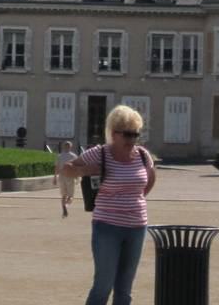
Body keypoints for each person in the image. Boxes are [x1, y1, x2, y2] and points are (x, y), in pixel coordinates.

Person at [60, 105, 156, 305]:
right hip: (107, 227)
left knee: (125, 289)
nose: (132, 140)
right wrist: (86, 170)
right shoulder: (99, 153)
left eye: (135, 135)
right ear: (114, 134)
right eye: (128, 135)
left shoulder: (142, 155)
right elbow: (67, 170)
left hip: (137, 227)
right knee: (103, 285)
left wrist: (138, 197)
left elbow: (150, 178)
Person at [52, 140, 78, 217]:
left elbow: (56, 167)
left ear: (64, 147)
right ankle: (66, 205)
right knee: (71, 196)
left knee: (63, 195)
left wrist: (55, 177)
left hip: (61, 177)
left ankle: (63, 207)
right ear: (70, 147)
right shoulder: (73, 156)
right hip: (70, 177)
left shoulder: (59, 156)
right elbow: (76, 168)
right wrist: (77, 177)